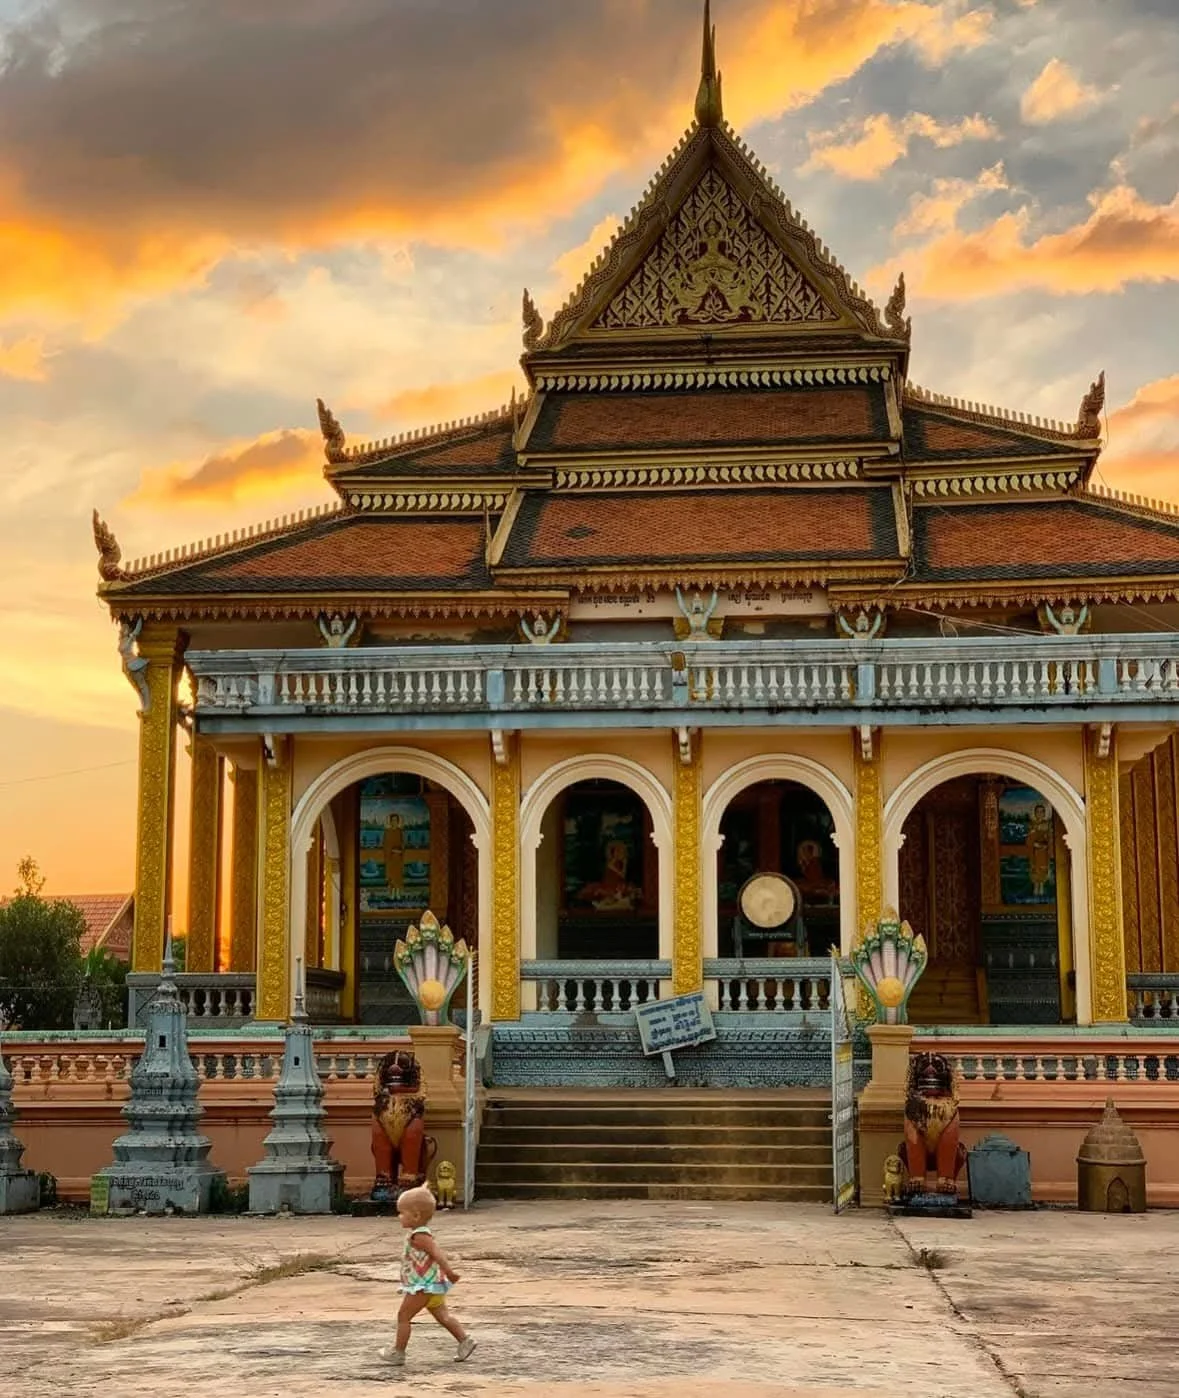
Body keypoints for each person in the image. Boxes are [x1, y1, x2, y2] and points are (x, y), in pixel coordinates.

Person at [379, 1185, 476, 1367]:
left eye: (402, 1213)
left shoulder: (419, 1236)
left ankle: (398, 1352)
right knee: (443, 1317)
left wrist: (449, 1271)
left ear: (415, 1216)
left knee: (404, 1316)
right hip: (433, 1286)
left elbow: (437, 1253)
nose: (399, 1216)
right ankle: (465, 1340)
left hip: (423, 1286)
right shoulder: (418, 1235)